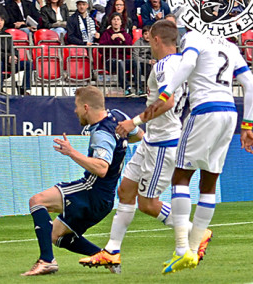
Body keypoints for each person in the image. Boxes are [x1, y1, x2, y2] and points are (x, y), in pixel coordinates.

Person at [77, 20, 194, 272]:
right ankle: (112, 251)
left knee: (148, 203)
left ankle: (196, 234)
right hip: (154, 138)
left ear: (156, 40)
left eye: (149, 38)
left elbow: (168, 101)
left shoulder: (164, 65)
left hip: (164, 142)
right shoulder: (181, 64)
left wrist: (135, 121)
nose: (147, 43)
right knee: (126, 191)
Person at [143, 27, 253, 273]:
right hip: (229, 113)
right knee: (209, 182)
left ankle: (182, 248)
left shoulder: (194, 37)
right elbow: (249, 82)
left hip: (205, 109)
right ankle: (193, 250)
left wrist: (166, 92)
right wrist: (248, 124)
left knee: (180, 176)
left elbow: (189, 61)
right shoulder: (230, 45)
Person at [22, 86, 143, 276]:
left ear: (86, 107)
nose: (75, 110)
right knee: (54, 235)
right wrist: (120, 144)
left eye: (77, 106)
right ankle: (104, 256)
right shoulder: (118, 116)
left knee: (37, 201)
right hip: (105, 199)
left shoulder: (101, 133)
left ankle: (47, 261)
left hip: (91, 191)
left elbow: (102, 168)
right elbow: (139, 135)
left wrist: (72, 153)